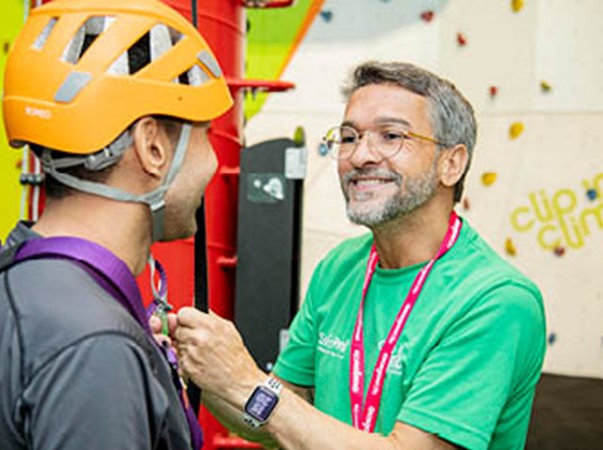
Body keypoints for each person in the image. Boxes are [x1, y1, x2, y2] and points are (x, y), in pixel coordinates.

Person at [171, 61, 546, 450]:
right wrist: (205, 367)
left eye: (391, 135)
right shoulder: (339, 268)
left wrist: (245, 380)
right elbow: (266, 421)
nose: (361, 155)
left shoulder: (496, 301)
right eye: (349, 137)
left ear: (451, 163)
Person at [0, 0, 232, 449]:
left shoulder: (12, 278)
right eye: (205, 133)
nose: (212, 162)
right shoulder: (94, 343)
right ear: (152, 146)